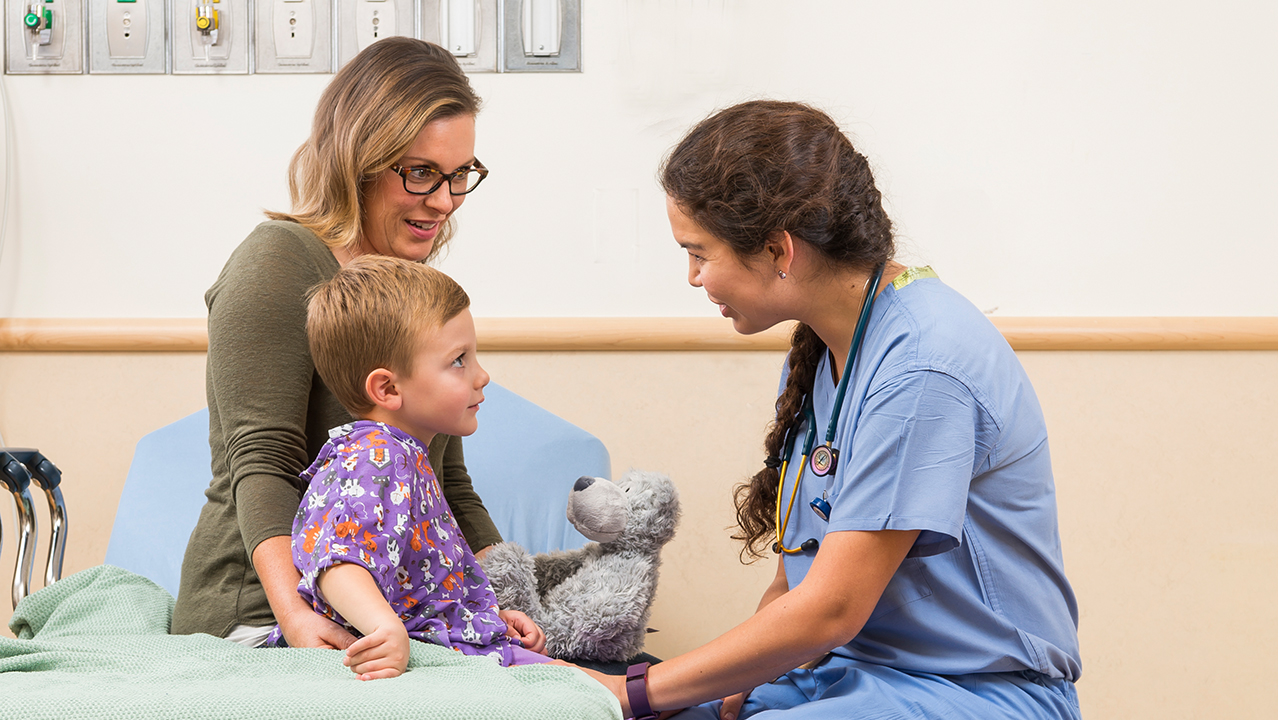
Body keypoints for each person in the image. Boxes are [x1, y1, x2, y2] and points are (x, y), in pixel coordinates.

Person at [591, 101, 1082, 719]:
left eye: (700, 253)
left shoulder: (923, 368)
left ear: (778, 250)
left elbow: (830, 607)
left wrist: (632, 692)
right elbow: (797, 579)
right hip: (844, 675)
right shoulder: (826, 351)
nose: (693, 277)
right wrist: (729, 683)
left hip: (975, 693)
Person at [171, 38, 504, 651]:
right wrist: (296, 619)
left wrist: (507, 601)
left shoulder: (407, 286)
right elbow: (263, 461)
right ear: (358, 160)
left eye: (461, 175)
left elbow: (449, 486)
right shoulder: (276, 262)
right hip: (263, 610)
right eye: (422, 172)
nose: (445, 201)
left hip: (386, 613)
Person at [263, 255, 551, 679]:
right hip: (406, 656)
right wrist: (384, 629)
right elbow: (337, 562)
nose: (481, 375)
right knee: (584, 690)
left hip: (446, 639)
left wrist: (489, 617)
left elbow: (424, 581)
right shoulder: (377, 460)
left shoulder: (403, 456)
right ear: (388, 388)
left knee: (573, 682)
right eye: (459, 360)